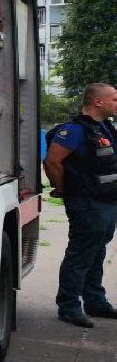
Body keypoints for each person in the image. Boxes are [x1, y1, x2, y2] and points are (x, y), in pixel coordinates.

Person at [44, 83, 117, 328]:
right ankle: (69, 306)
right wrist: (64, 189)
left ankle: (95, 301)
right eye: (114, 99)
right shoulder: (74, 130)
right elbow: (53, 161)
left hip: (105, 202)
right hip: (86, 202)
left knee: (97, 252)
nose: (116, 104)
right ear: (98, 102)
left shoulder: (104, 127)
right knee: (81, 254)